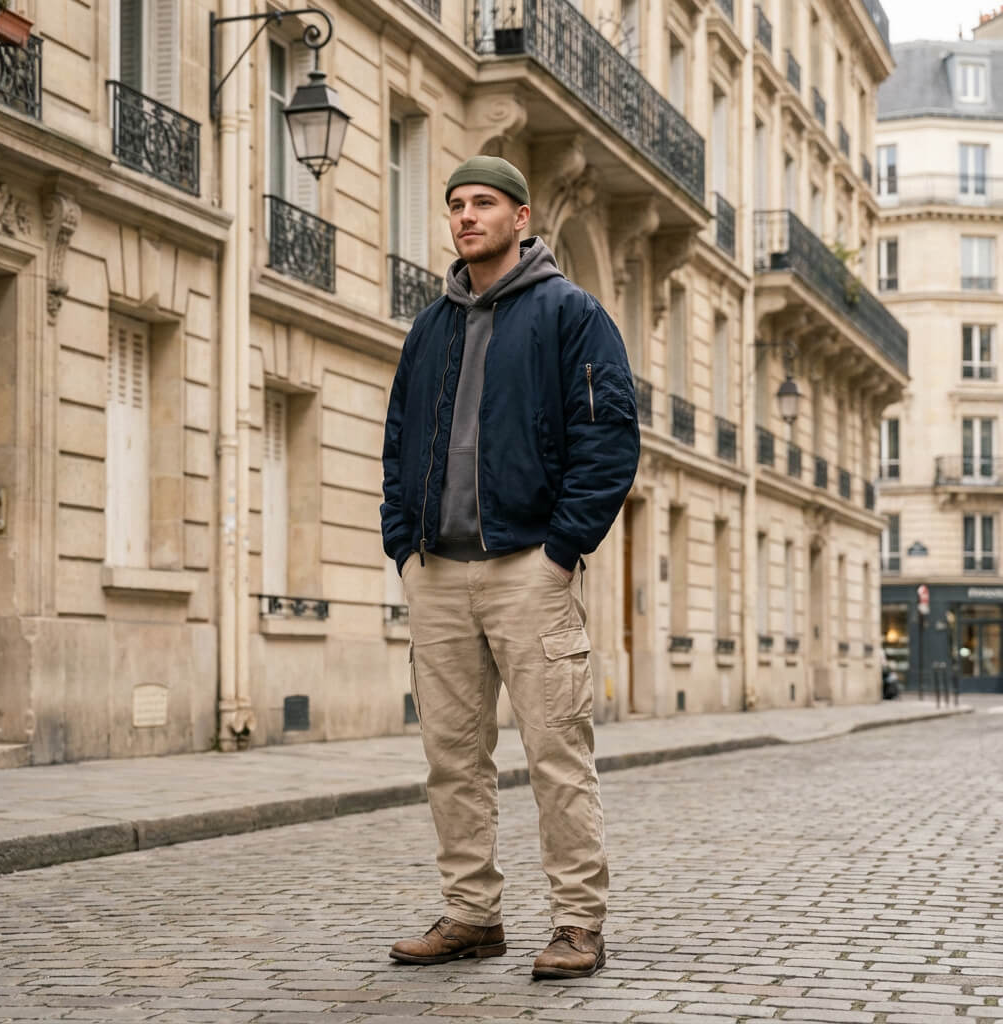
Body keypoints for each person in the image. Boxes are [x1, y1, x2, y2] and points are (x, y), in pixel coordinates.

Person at [380, 155, 640, 980]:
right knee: (451, 757)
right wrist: (402, 543)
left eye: (482, 203)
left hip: (530, 566)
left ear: (521, 216)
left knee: (557, 752)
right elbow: (396, 440)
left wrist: (563, 549)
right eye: (455, 204)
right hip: (439, 571)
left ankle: (577, 923)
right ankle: (471, 914)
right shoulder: (431, 326)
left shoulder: (571, 313)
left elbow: (608, 438)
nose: (465, 216)